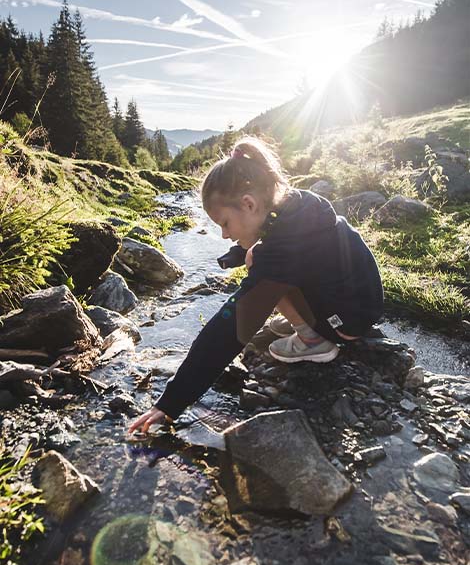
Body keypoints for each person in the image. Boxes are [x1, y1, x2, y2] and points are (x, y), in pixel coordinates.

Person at [128, 137, 383, 434]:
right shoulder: (299, 206)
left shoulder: (286, 251)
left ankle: (314, 342)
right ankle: (306, 323)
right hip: (358, 301)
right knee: (255, 257)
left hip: (347, 322)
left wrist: (171, 402)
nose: (224, 234)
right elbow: (278, 243)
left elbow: (232, 327)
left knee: (259, 267)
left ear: (248, 204)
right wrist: (235, 254)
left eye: (225, 223)